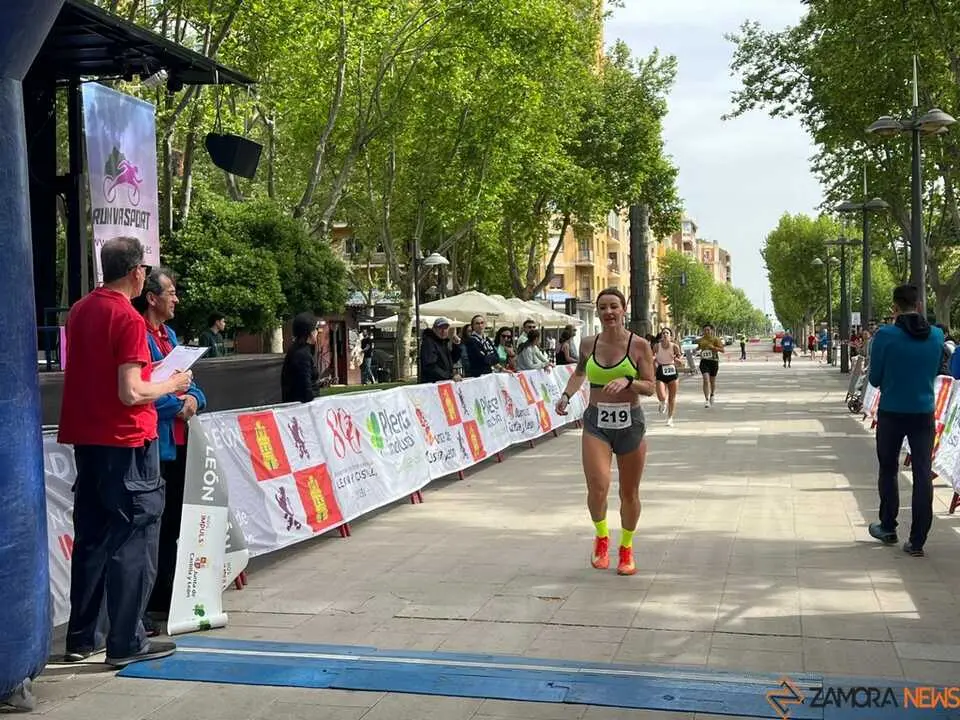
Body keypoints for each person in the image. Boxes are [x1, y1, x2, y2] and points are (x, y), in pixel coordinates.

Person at [58, 237, 192, 667]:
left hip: (88, 439)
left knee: (93, 537)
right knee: (135, 538)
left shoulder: (81, 310)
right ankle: (126, 640)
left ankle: (83, 636)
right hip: (128, 441)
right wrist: (171, 384)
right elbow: (131, 391)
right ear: (136, 272)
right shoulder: (128, 319)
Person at [555, 288, 655, 576]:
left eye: (614, 306)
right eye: (603, 308)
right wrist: (566, 396)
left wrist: (628, 381)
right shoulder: (588, 343)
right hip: (596, 422)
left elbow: (649, 386)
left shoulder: (639, 346)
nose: (608, 312)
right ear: (597, 312)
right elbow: (580, 373)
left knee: (629, 492)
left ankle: (626, 547)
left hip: (630, 424)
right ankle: (601, 538)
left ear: (624, 310)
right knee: (598, 488)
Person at [132, 268, 207, 628]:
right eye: (171, 293)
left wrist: (192, 400)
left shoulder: (171, 335)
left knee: (175, 523)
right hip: (154, 444)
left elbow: (194, 385)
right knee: (152, 528)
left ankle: (166, 597)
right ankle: (145, 605)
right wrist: (178, 404)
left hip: (180, 443)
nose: (176, 299)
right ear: (152, 297)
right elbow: (140, 392)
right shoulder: (138, 335)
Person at [867, 284, 943, 557]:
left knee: (888, 469)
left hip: (892, 411)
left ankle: (888, 526)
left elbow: (875, 379)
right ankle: (918, 540)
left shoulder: (885, 335)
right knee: (923, 473)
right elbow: (936, 370)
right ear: (920, 305)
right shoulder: (936, 336)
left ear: (895, 308)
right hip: (923, 413)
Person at [281, 312, 320, 403]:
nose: (317, 332)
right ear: (310, 332)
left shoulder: (299, 350)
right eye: (316, 329)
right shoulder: (301, 354)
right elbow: (305, 389)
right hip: (301, 410)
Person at [654, 328, 682, 427]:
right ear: (661, 336)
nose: (665, 334)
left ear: (671, 336)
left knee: (672, 397)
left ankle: (670, 418)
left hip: (672, 370)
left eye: (667, 333)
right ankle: (662, 402)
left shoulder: (674, 346)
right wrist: (654, 360)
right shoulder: (657, 346)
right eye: (663, 333)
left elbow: (680, 360)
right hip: (661, 370)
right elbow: (652, 357)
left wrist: (678, 360)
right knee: (661, 395)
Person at [420, 317, 462, 383]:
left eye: (445, 328)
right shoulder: (429, 342)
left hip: (441, 382)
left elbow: (453, 359)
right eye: (440, 328)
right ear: (434, 329)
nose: (443, 331)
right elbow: (431, 366)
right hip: (433, 384)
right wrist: (450, 376)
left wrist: (456, 345)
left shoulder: (443, 342)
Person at [697, 323, 724, 407]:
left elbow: (722, 350)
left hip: (713, 361)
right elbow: (699, 347)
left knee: (712, 381)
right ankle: (706, 400)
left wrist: (714, 348)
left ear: (712, 330)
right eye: (705, 330)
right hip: (704, 362)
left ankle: (712, 394)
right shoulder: (701, 340)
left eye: (708, 330)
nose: (706, 331)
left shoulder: (716, 339)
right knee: (705, 379)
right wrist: (695, 350)